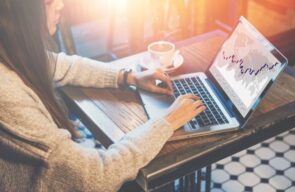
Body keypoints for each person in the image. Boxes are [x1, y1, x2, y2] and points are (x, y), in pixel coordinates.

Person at [0, 0, 206, 191]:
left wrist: (129, 77)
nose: (61, 4)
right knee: (154, 179)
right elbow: (95, 176)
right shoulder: (7, 91)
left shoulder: (13, 52)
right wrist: (167, 121)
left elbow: (65, 66)